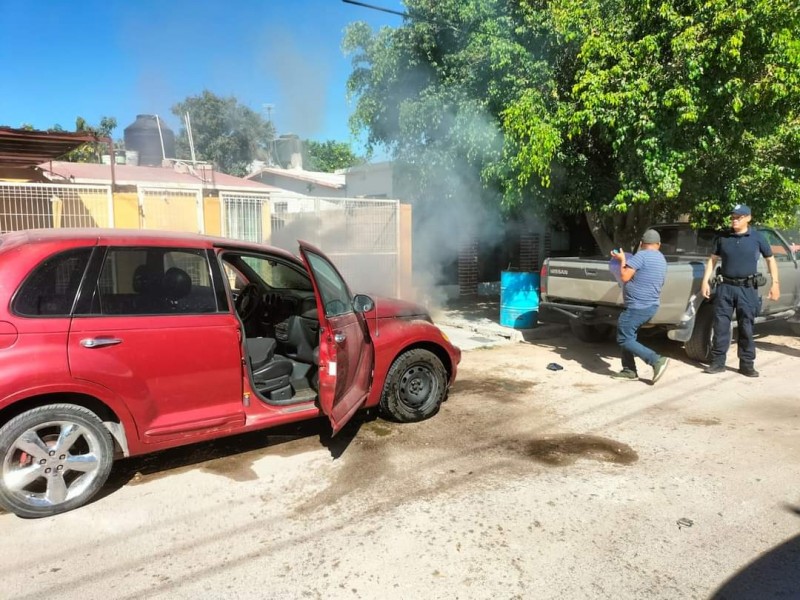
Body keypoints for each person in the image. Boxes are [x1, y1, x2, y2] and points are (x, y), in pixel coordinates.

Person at [700, 204, 780, 377]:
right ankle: (718, 362)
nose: (735, 220)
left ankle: (746, 364)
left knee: (746, 327)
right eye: (733, 217)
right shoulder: (723, 237)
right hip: (725, 288)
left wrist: (775, 283)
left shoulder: (757, 238)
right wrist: (705, 281)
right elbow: (712, 260)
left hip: (747, 288)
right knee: (720, 326)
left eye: (739, 217)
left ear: (748, 218)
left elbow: (770, 260)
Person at [610, 229, 670, 383]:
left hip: (638, 306)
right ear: (658, 244)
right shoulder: (661, 258)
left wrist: (622, 259)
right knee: (630, 336)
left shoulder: (641, 256)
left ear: (642, 244)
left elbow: (624, 276)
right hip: (650, 305)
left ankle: (656, 360)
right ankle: (629, 370)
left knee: (624, 338)